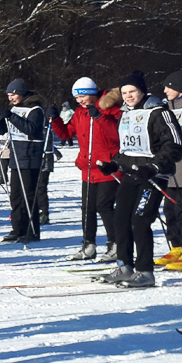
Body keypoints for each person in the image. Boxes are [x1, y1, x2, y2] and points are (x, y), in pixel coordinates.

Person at [96, 71, 182, 287]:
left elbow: (175, 146)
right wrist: (114, 164)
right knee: (120, 219)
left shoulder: (159, 112)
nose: (128, 96)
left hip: (153, 176)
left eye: (132, 91)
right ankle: (124, 266)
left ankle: (145, 271)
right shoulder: (126, 114)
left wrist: (153, 167)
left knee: (140, 221)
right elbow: (128, 148)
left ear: (142, 91)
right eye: (124, 92)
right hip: (131, 174)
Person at [51, 77, 122, 262]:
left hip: (107, 167)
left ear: (92, 94)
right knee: (87, 208)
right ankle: (88, 245)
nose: (79, 101)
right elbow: (67, 133)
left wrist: (99, 117)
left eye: (82, 96)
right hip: (88, 168)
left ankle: (115, 244)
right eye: (77, 98)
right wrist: (55, 120)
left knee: (104, 206)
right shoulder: (80, 112)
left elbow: (116, 135)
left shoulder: (109, 108)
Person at [0, 79, 47, 244]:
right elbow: (5, 129)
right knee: (16, 196)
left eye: (13, 94)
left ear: (21, 93)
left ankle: (31, 230)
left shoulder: (35, 109)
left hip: (30, 156)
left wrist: (11, 116)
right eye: (9, 95)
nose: (11, 98)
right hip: (16, 156)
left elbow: (31, 129)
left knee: (28, 195)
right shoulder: (15, 109)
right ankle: (17, 228)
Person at [158, 71, 182, 270]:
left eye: (169, 87)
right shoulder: (168, 106)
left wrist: (173, 133)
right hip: (171, 169)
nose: (165, 90)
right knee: (169, 211)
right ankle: (177, 247)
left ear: (180, 88)